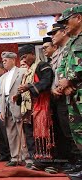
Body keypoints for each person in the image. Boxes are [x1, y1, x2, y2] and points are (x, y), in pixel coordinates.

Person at [16, 44, 54, 169]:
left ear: (33, 53)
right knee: (30, 136)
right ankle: (35, 161)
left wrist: (29, 86)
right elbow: (25, 90)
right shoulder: (27, 71)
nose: (24, 60)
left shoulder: (42, 66)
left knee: (43, 134)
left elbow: (46, 82)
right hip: (28, 108)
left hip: (41, 106)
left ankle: (48, 162)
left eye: (25, 57)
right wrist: (19, 96)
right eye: (22, 58)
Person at [47, 23, 79, 168]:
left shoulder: (71, 47)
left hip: (74, 93)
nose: (52, 37)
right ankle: (74, 163)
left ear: (64, 32)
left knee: (74, 131)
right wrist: (57, 88)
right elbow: (59, 73)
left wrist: (68, 84)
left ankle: (76, 163)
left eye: (54, 33)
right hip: (62, 96)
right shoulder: (60, 52)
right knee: (68, 132)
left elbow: (72, 71)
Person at [55, 5, 82, 179]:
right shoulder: (72, 41)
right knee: (78, 132)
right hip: (72, 94)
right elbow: (62, 67)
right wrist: (63, 85)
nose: (64, 26)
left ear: (78, 18)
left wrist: (70, 80)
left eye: (67, 21)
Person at [0, 52, 29, 167]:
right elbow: (0, 95)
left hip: (18, 104)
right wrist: (1, 110)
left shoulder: (22, 71)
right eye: (3, 61)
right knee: (10, 132)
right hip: (6, 105)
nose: (4, 63)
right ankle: (15, 157)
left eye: (5, 60)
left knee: (22, 131)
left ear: (12, 60)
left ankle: (26, 157)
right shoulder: (2, 77)